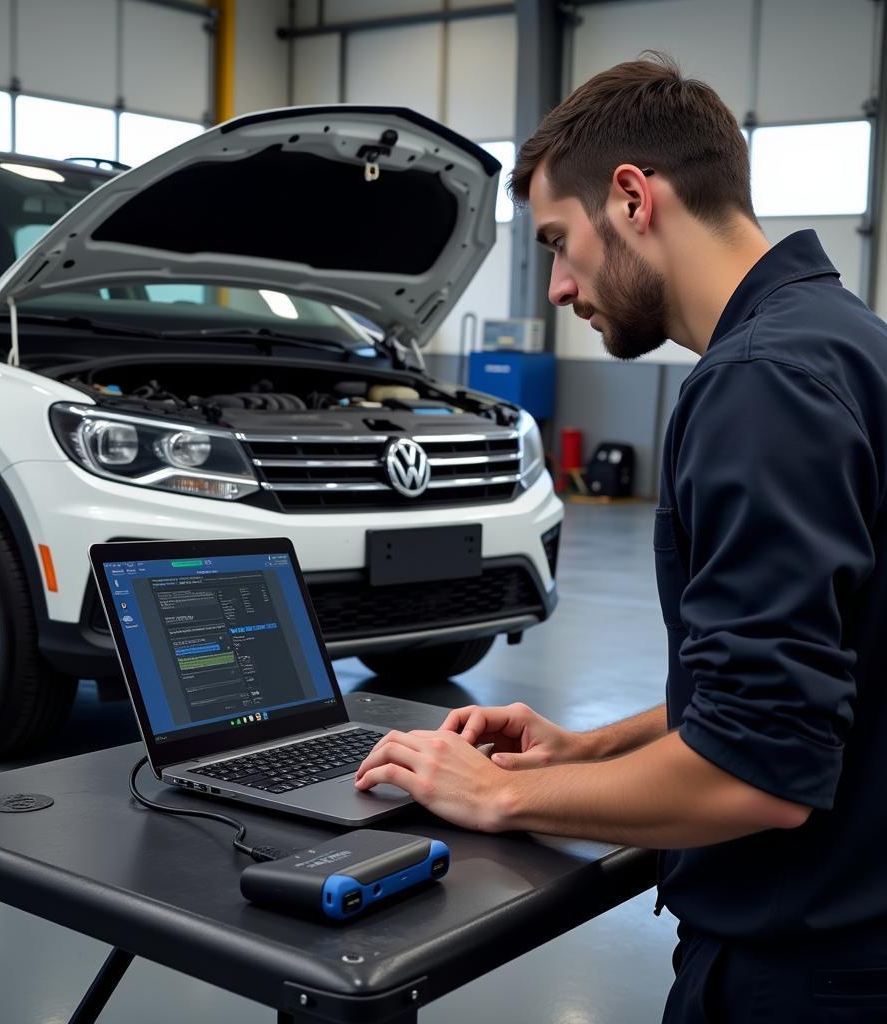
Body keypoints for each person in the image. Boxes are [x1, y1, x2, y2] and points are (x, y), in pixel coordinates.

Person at [354, 54, 887, 1022]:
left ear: (634, 199)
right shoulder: (841, 341)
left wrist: (500, 797)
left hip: (806, 972)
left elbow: (759, 771)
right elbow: (806, 677)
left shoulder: (760, 385)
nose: (557, 287)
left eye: (559, 242)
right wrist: (582, 752)